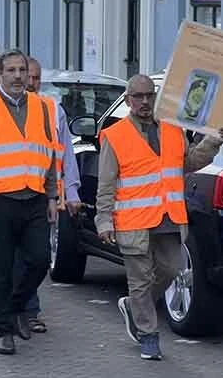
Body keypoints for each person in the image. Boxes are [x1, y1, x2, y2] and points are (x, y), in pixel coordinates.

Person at [96, 74, 223, 360]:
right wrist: (104, 221)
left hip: (168, 217)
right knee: (140, 280)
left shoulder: (171, 129)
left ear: (156, 97)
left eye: (149, 96)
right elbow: (105, 186)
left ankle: (134, 306)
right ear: (128, 100)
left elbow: (188, 162)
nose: (144, 102)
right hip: (134, 221)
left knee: (172, 269)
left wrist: (213, 142)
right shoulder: (115, 136)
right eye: (138, 97)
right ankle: (148, 335)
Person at [0, 49, 58, 356]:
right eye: (11, 71)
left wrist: (53, 195)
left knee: (40, 259)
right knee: (2, 268)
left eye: (22, 70)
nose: (18, 76)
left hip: (34, 197)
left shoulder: (44, 107)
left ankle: (17, 306)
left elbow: (50, 153)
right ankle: (3, 331)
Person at [20, 57, 83, 332]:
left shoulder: (53, 109)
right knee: (14, 257)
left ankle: (24, 304)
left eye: (36, 78)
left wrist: (71, 191)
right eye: (28, 77)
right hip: (8, 194)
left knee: (38, 257)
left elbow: (66, 153)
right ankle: (26, 310)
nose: (32, 83)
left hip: (45, 197)